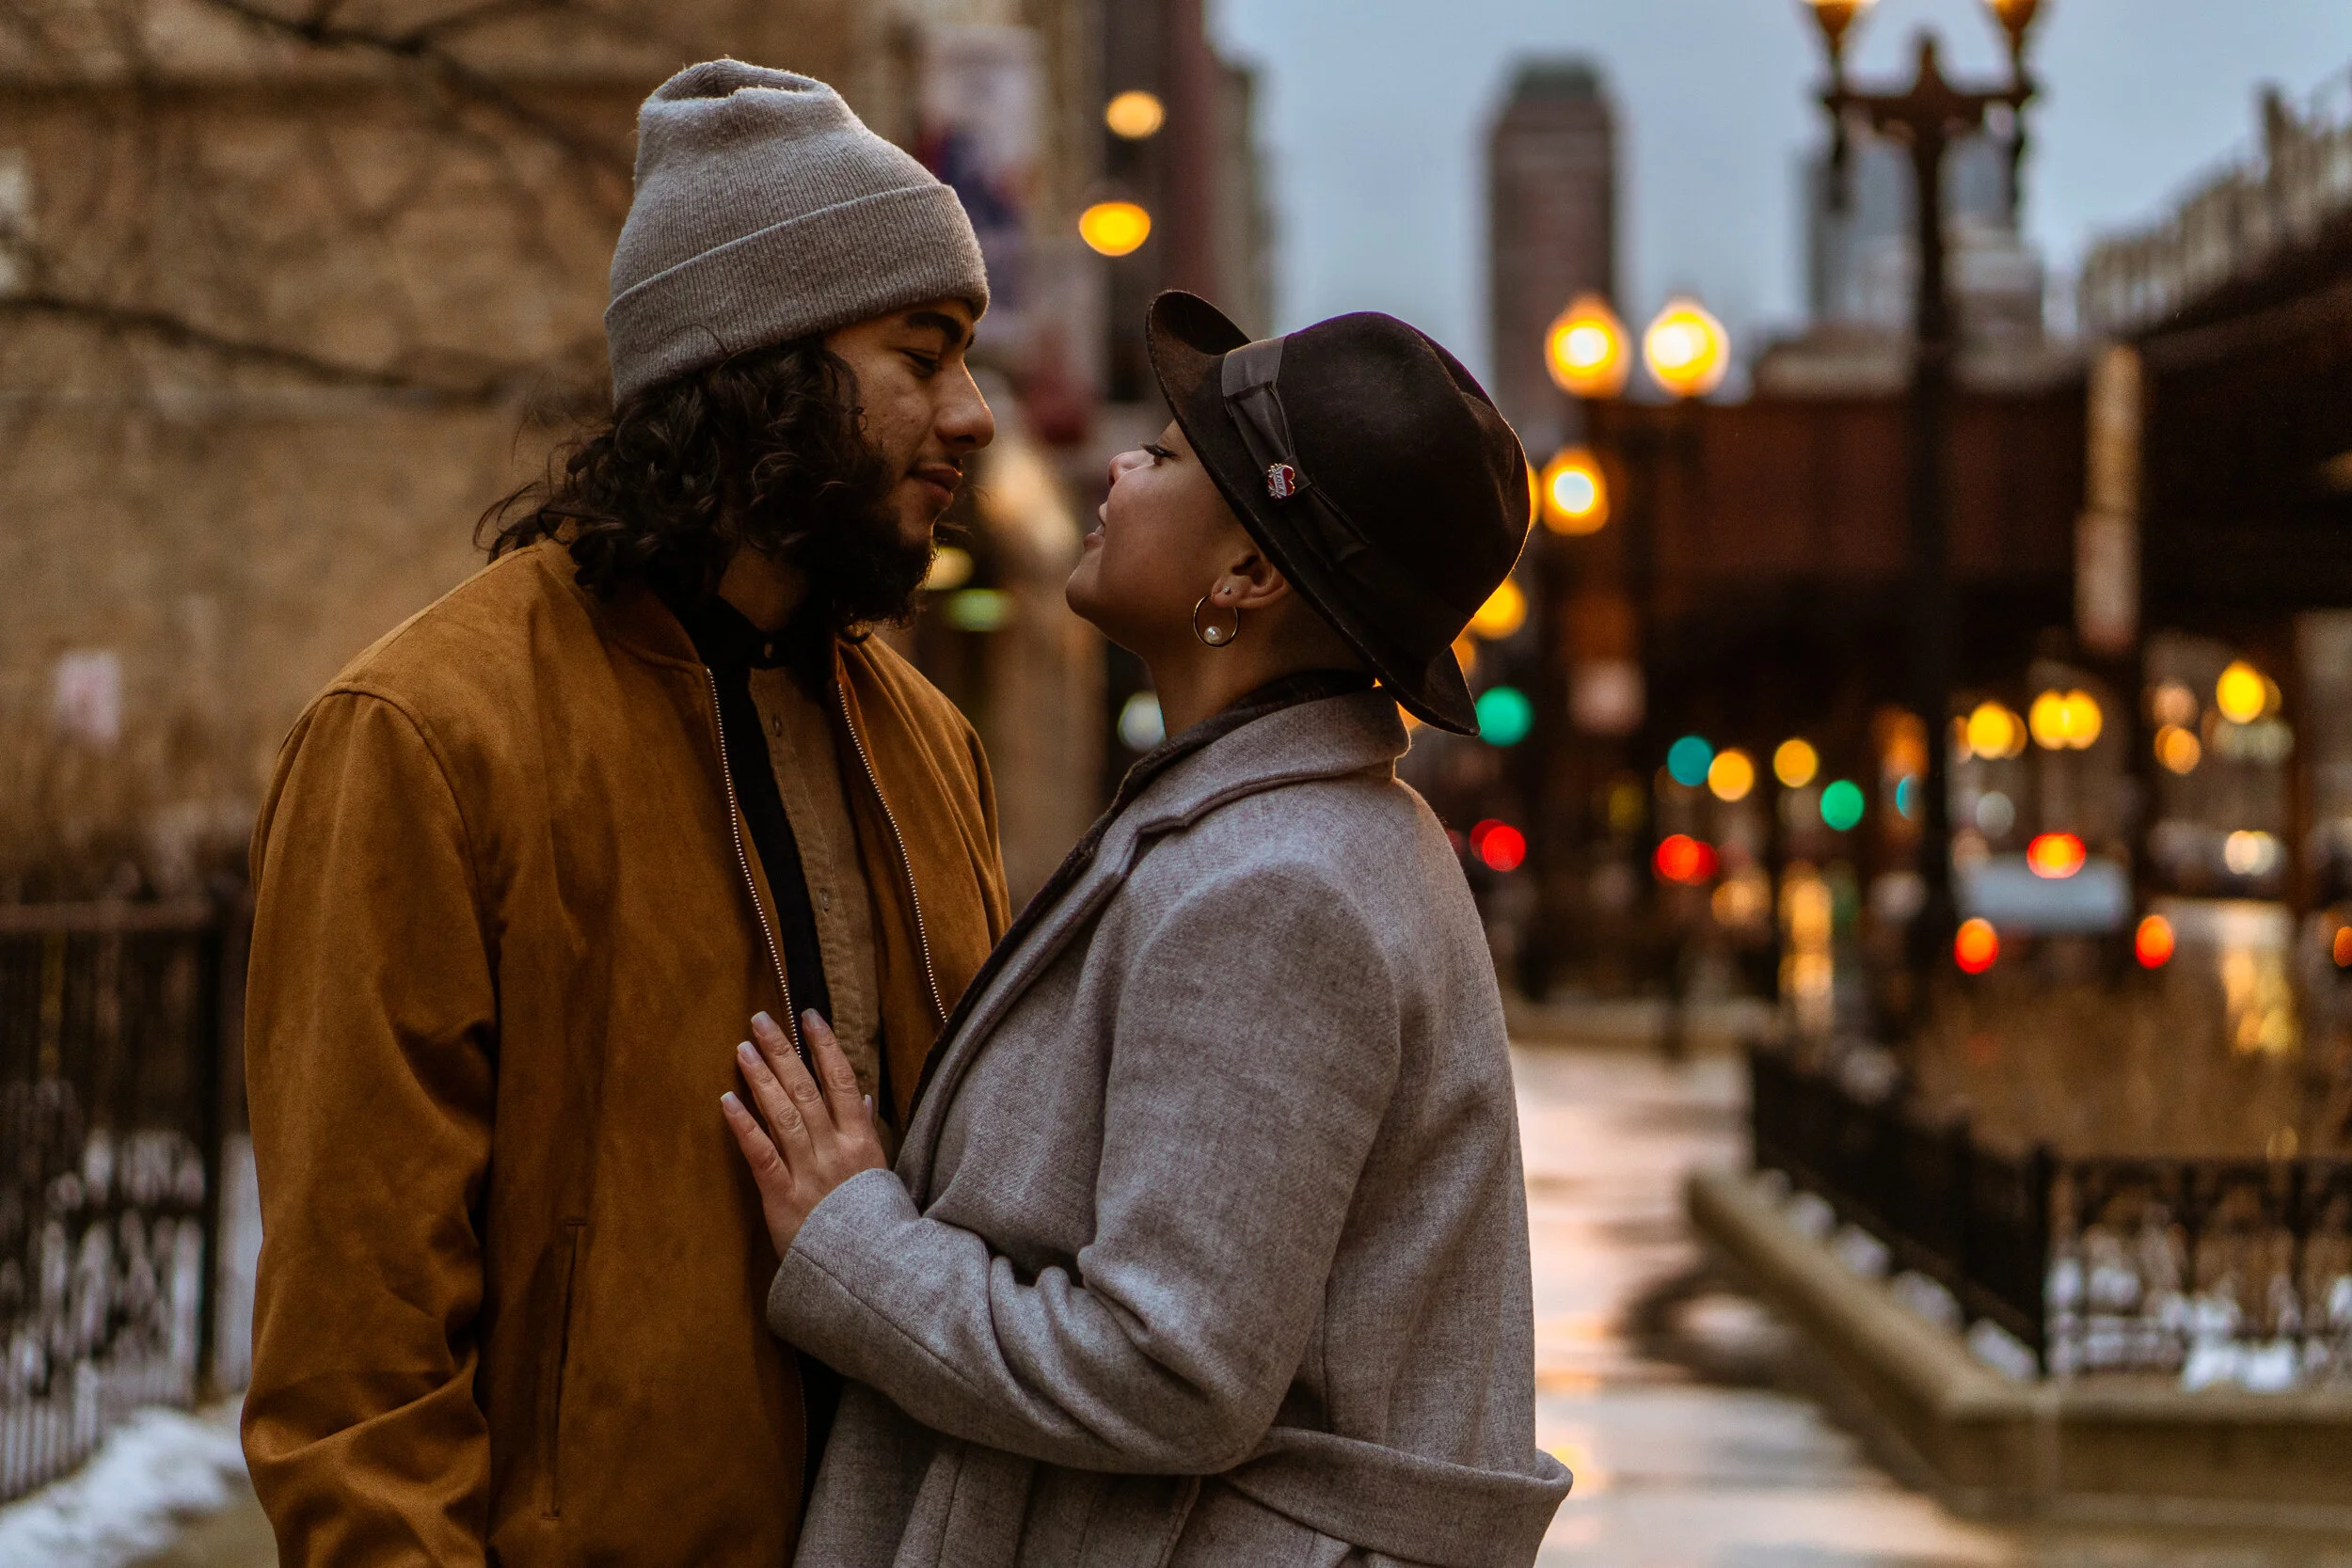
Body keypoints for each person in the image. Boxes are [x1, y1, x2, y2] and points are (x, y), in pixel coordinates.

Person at [240, 62, 1013, 1566]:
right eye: (921, 352)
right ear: (763, 364)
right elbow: (355, 1371)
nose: (971, 415)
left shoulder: (930, 744)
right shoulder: (423, 738)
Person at [723, 291, 1575, 1567]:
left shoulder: (1280, 887)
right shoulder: (1264, 830)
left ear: (1246, 573)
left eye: (1170, 456)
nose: (1121, 462)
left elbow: (1171, 1367)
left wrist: (857, 1246)